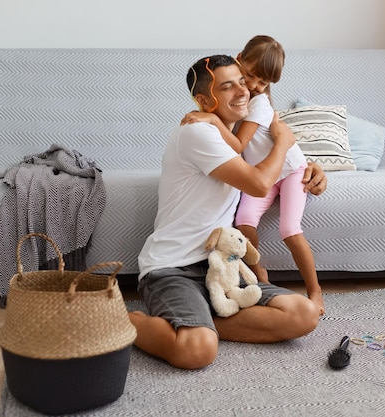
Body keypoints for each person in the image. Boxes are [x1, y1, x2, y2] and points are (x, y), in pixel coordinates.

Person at [130, 54, 327, 370]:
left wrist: (311, 168)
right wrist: (283, 141)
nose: (242, 91)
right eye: (227, 87)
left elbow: (272, 165)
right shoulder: (198, 131)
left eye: (242, 82)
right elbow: (260, 184)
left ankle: (200, 321)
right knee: (197, 352)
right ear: (204, 100)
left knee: (303, 314)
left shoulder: (236, 139)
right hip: (173, 267)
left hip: (220, 265)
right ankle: (126, 319)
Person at [180, 35, 325, 316]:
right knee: (244, 222)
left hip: (290, 171)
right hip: (264, 175)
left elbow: (238, 146)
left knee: (289, 229)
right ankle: (260, 276)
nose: (256, 86)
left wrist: (209, 118)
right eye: (251, 77)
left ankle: (315, 290)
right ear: (238, 60)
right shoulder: (237, 99)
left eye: (264, 83)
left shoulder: (257, 104)